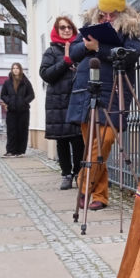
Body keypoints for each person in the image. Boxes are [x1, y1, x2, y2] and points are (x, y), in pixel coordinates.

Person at [67, 0, 140, 211]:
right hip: (86, 89)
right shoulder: (90, 25)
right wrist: (87, 46)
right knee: (93, 144)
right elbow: (73, 53)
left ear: (121, 11)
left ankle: (83, 183)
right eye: (104, 13)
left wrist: (99, 48)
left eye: (113, 14)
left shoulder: (131, 27)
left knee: (105, 141)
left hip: (115, 90)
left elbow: (131, 56)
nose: (107, 18)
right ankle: (100, 195)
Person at [39, 16, 85, 189]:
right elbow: (45, 74)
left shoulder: (80, 48)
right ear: (56, 31)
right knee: (63, 140)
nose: (66, 30)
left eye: (69, 27)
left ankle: (79, 173)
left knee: (78, 139)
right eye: (62, 27)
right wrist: (65, 63)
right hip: (58, 102)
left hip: (76, 100)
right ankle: (66, 174)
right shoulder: (51, 52)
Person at [0, 62, 35, 157]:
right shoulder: (7, 83)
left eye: (17, 68)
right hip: (11, 110)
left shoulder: (25, 82)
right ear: (12, 70)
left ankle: (20, 151)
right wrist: (9, 101)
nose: (15, 70)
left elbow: (31, 95)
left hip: (23, 111)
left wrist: (24, 102)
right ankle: (10, 151)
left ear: (20, 70)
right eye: (13, 68)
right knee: (11, 131)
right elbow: (3, 95)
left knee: (22, 131)